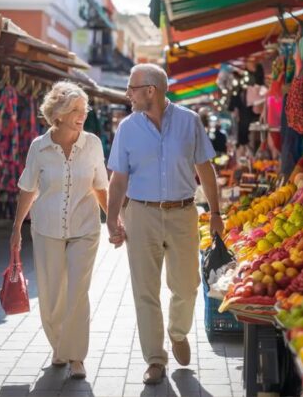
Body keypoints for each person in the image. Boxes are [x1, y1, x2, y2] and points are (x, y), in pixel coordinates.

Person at [106, 64, 224, 385]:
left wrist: (215, 213)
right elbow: (118, 179)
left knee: (187, 285)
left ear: (150, 91)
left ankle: (178, 332)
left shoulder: (189, 122)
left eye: (132, 88)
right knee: (145, 290)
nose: (128, 94)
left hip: (183, 213)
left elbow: (206, 169)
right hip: (140, 214)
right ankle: (155, 359)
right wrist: (111, 217)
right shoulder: (128, 128)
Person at [10, 81, 109, 380]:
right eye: (76, 110)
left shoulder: (92, 144)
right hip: (47, 228)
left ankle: (76, 356)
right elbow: (28, 189)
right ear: (59, 114)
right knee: (52, 297)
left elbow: (99, 186)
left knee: (78, 292)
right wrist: (16, 229)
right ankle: (59, 345)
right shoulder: (38, 147)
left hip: (85, 228)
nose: (82, 115)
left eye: (84, 109)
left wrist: (116, 220)